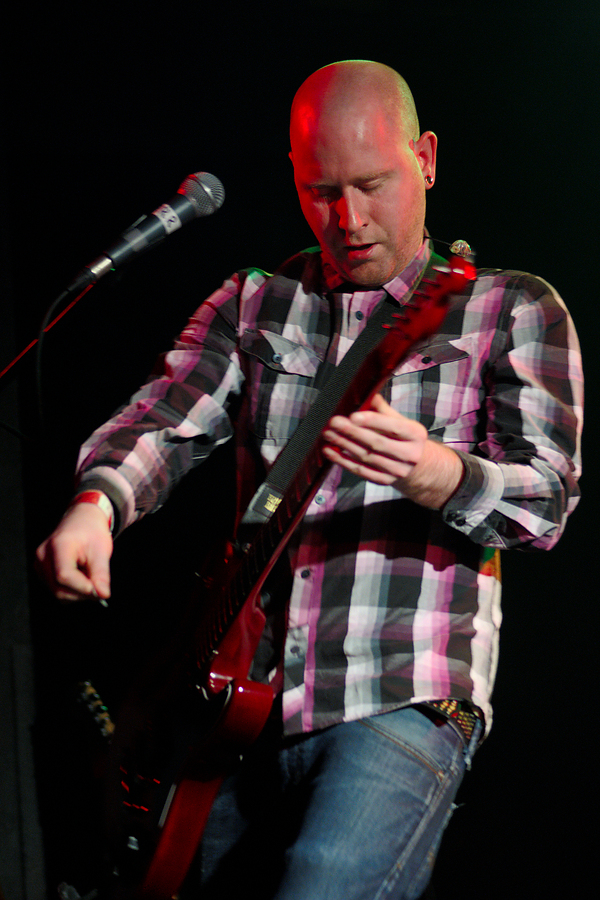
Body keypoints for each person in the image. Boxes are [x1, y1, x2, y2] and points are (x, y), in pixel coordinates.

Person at [36, 61, 583, 899]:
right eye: (321, 191)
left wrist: (437, 471)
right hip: (232, 715)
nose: (350, 219)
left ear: (426, 159)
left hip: (397, 691)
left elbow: (546, 500)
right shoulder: (256, 303)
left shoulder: (511, 308)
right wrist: (94, 506)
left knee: (325, 879)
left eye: (372, 184)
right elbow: (163, 418)